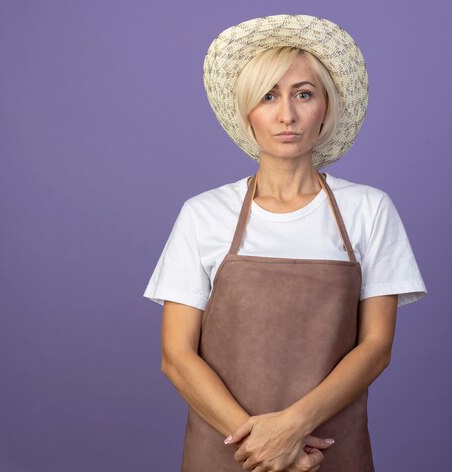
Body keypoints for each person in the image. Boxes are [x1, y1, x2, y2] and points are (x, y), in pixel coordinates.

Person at [143, 14, 428, 472]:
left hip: (327, 452)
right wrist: (263, 444)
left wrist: (293, 429)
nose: (286, 114)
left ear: (325, 108)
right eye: (268, 96)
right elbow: (176, 357)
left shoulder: (369, 210)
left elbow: (376, 347)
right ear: (247, 111)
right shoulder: (203, 214)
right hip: (227, 450)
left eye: (303, 94)